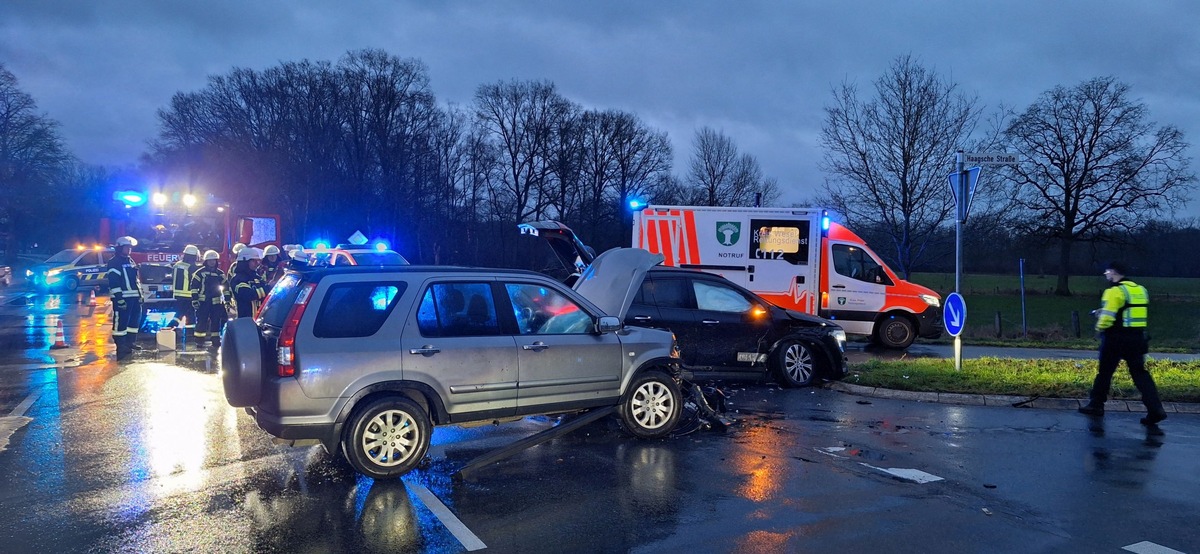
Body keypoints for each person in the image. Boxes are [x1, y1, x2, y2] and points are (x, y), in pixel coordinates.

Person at [1079, 262, 1167, 425]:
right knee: (1140, 374)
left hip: (1115, 338)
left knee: (1104, 372)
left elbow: (1108, 316)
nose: (1106, 275)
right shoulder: (1140, 290)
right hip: (1137, 338)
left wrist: (1099, 328)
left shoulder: (1114, 291)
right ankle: (1156, 409)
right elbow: (1129, 311)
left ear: (1114, 272)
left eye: (1107, 271)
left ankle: (1096, 405)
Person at [107, 236, 143, 361]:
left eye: (130, 248)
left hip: (134, 297)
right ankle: (120, 345)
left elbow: (136, 280)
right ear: (120, 248)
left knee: (134, 321)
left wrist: (140, 295)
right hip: (122, 298)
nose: (129, 250)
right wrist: (119, 298)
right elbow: (114, 282)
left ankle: (130, 342)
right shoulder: (114, 262)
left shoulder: (130, 260)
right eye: (127, 247)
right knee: (120, 322)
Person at [191, 249, 228, 350]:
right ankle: (199, 341)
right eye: (210, 260)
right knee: (202, 321)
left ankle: (215, 340)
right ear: (206, 261)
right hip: (203, 302)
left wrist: (228, 300)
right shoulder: (199, 273)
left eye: (214, 260)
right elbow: (194, 287)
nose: (212, 262)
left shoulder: (220, 274)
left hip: (216, 302)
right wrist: (195, 299)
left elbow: (226, 287)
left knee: (216, 321)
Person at [167, 244, 200, 331]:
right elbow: (195, 281)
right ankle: (189, 332)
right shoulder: (192, 267)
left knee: (182, 313)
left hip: (178, 294)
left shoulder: (177, 265)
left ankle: (170, 328)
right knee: (189, 314)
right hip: (189, 295)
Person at [229, 247, 268, 318]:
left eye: (258, 261)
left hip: (260, 320)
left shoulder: (256, 277)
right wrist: (269, 288)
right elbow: (249, 295)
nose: (257, 264)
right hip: (245, 321)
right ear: (244, 262)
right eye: (254, 261)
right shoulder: (237, 279)